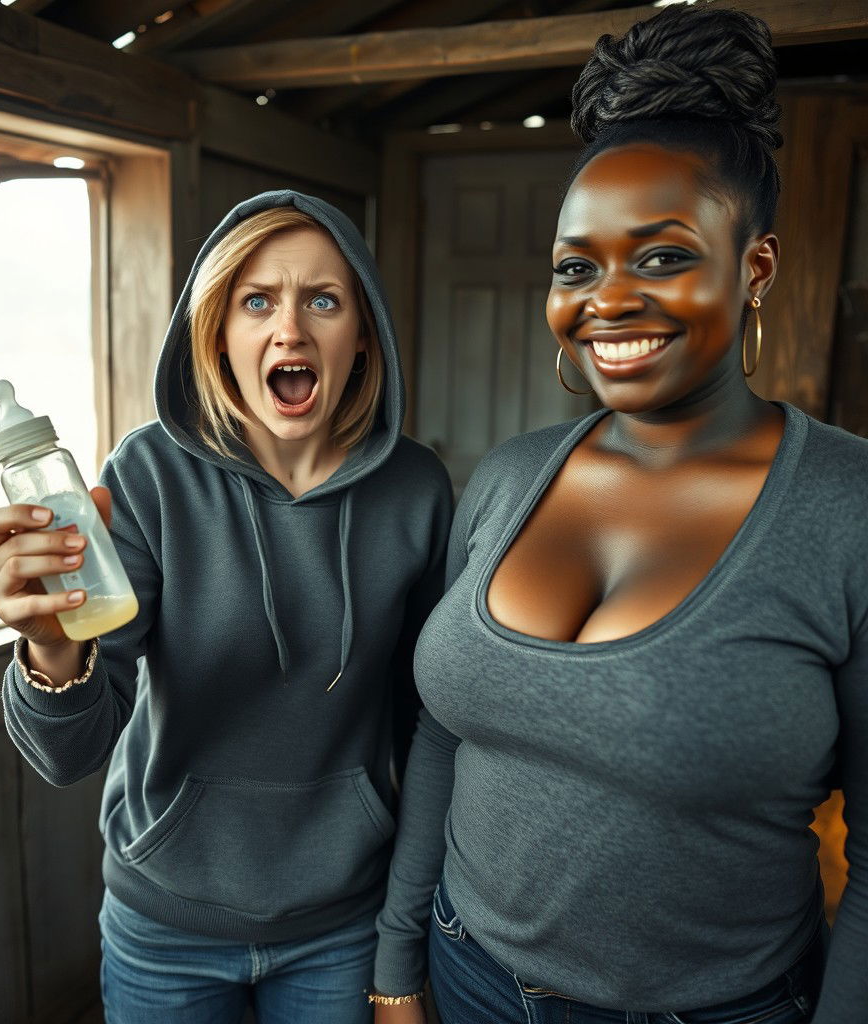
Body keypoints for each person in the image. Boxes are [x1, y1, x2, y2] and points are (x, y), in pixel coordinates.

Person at [371, 7, 866, 1023]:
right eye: (574, 265)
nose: (606, 299)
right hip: (466, 977)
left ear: (755, 266)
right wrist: (396, 964)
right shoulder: (510, 478)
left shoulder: (847, 510)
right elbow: (441, 738)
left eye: (660, 257)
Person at [0, 190, 452, 1024]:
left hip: (342, 922)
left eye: (324, 300)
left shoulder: (415, 490)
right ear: (218, 333)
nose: (291, 330)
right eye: (257, 300)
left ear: (363, 332)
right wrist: (53, 651)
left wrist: (400, 952)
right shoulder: (149, 477)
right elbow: (70, 753)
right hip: (165, 925)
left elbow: (428, 727)